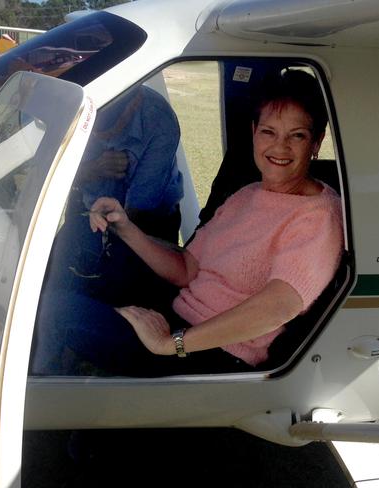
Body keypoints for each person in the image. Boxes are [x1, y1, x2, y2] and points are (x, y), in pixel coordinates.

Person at [44, 69, 343, 376]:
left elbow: (278, 308)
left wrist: (172, 344)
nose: (280, 147)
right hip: (177, 319)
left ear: (316, 142)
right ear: (254, 131)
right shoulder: (247, 194)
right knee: (82, 244)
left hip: (215, 354)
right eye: (269, 132)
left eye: (297, 135)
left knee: (52, 313)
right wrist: (125, 228)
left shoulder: (318, 215)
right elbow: (188, 268)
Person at [31, 84, 184, 374]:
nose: (102, 137)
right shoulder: (75, 105)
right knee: (51, 290)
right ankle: (47, 369)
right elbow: (44, 170)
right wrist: (93, 168)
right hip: (86, 209)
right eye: (95, 131)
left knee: (117, 303)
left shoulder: (159, 121)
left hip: (148, 222)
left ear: (132, 100)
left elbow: (136, 215)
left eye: (110, 130)